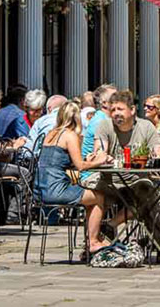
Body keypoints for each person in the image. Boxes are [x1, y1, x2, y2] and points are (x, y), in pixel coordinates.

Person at [36, 101, 113, 254]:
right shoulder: (70, 135)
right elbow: (80, 166)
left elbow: (64, 162)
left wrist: (90, 160)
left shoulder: (51, 133)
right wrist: (100, 160)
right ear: (77, 118)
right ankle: (93, 242)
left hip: (41, 189)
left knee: (91, 197)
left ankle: (90, 239)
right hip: (56, 190)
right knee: (98, 197)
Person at [80, 83, 117, 163]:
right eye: (115, 97)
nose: (119, 99)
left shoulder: (104, 118)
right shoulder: (100, 121)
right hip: (92, 172)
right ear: (104, 103)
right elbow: (100, 154)